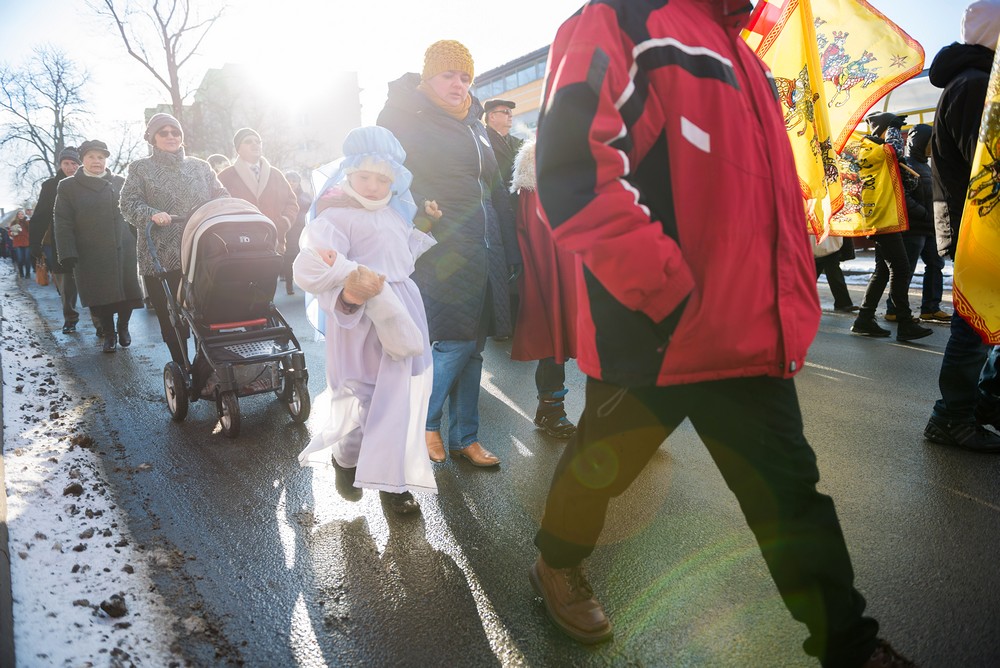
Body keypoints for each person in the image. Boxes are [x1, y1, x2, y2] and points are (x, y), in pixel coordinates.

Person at [528, 2, 914, 666]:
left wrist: (789, 296)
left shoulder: (748, 56)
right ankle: (555, 563)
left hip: (749, 332)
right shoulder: (620, 19)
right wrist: (668, 295)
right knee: (600, 469)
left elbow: (761, 195)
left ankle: (849, 647)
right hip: (656, 334)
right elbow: (571, 172)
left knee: (793, 497)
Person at [378, 39, 520, 468]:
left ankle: (465, 437)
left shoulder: (474, 123)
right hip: (440, 243)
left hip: (486, 243)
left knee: (473, 346)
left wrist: (510, 249)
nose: (458, 84)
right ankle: (423, 421)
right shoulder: (404, 117)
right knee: (455, 340)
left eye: (465, 77)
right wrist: (422, 210)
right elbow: (387, 177)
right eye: (448, 75)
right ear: (428, 78)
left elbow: (493, 189)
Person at [294, 126, 436, 515]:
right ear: (348, 175)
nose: (373, 187)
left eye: (382, 179)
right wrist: (351, 291)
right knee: (364, 399)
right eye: (364, 177)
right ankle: (347, 457)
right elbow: (312, 267)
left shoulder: (393, 213)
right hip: (359, 320)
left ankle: (393, 486)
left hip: (402, 310)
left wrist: (422, 226)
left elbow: (401, 257)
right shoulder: (334, 217)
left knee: (400, 398)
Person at [923, 0, 1000, 452]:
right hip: (977, 227)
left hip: (981, 224)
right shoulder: (973, 85)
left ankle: (983, 404)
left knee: (986, 322)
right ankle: (951, 417)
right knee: (973, 326)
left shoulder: (978, 81)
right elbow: (986, 169)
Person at [120, 112, 228, 365]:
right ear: (152, 138)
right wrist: (153, 214)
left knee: (207, 314)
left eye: (175, 132)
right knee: (172, 318)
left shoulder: (201, 167)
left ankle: (207, 365)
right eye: (163, 132)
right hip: (160, 253)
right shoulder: (140, 168)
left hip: (200, 253)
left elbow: (222, 194)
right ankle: (181, 365)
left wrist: (223, 208)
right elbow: (127, 203)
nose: (170, 136)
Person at [509, 139, 578, 439]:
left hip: (585, 272)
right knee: (554, 341)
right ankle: (550, 410)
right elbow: (536, 236)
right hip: (552, 273)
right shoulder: (535, 182)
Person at [849, 113, 933, 342]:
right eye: (892, 130)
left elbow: (905, 176)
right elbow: (893, 152)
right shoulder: (872, 149)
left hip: (883, 217)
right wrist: (894, 130)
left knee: (883, 271)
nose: (896, 135)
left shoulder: (875, 150)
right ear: (884, 131)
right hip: (883, 218)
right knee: (901, 269)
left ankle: (864, 319)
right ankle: (905, 322)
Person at [53, 140, 143, 353]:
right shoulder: (68, 186)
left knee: (128, 292)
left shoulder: (121, 182)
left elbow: (135, 212)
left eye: (101, 157)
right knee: (99, 297)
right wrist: (67, 252)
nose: (97, 161)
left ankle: (123, 327)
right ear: (82, 160)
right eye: (92, 157)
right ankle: (109, 334)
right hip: (89, 252)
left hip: (124, 247)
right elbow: (62, 220)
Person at [30, 147, 101, 335]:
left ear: (80, 164)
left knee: (92, 284)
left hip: (88, 242)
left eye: (74, 163)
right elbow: (40, 216)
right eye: (66, 163)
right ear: (60, 164)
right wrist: (35, 243)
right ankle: (70, 318)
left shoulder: (87, 182)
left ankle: (100, 322)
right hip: (61, 243)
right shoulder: (50, 186)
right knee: (66, 287)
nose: (70, 167)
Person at [217, 128, 298, 256]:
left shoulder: (276, 174)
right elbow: (218, 208)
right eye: (248, 141)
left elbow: (292, 203)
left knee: (269, 276)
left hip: (272, 243)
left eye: (258, 141)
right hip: (238, 246)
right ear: (238, 149)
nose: (255, 144)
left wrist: (283, 223)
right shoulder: (225, 177)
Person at [813, 234, 858, 312]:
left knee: (835, 275)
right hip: (825, 245)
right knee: (833, 275)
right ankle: (843, 304)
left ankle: (843, 303)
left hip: (828, 246)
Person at [283, 170, 310, 296]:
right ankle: (289, 283)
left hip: (304, 230)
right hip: (289, 231)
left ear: (298, 182)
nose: (291, 183)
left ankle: (305, 282)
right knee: (289, 257)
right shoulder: (281, 195)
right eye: (289, 180)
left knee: (304, 256)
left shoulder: (305, 196)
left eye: (294, 180)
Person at [9, 210, 31, 278]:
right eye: (19, 214)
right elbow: (10, 232)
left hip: (27, 243)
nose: (21, 215)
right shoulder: (14, 223)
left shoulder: (27, 222)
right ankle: (21, 273)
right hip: (18, 243)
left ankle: (28, 274)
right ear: (17, 215)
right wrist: (13, 233)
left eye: (22, 214)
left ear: (24, 215)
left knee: (27, 259)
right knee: (20, 259)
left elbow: (32, 231)